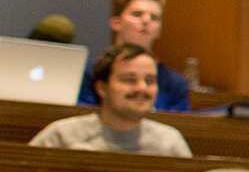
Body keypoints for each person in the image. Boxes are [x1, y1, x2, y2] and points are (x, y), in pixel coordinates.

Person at [30, 43, 193, 157]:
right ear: (102, 88)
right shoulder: (61, 136)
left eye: (150, 81)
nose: (142, 88)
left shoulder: (170, 142)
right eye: (129, 79)